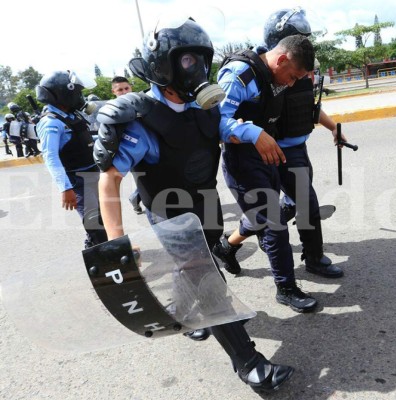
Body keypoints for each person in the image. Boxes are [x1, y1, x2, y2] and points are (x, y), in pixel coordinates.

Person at [93, 16, 294, 392]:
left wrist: (255, 133)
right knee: (207, 279)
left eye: (201, 60)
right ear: (163, 65)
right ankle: (249, 364)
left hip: (205, 206)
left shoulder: (205, 106)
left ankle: (184, 316)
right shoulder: (142, 121)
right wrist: (116, 239)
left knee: (197, 267)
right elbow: (110, 178)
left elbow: (224, 127)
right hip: (169, 214)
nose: (197, 70)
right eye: (187, 61)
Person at [213, 7, 344, 284]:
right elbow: (221, 119)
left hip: (293, 148)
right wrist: (250, 133)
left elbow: (306, 107)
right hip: (267, 151)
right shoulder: (264, 70)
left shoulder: (295, 69)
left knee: (288, 207)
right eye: (299, 38)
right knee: (284, 210)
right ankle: (305, 262)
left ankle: (232, 245)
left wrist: (334, 128)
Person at [214, 33, 321, 313]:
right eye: (294, 76)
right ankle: (286, 288)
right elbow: (215, 121)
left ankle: (227, 246)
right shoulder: (239, 74)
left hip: (269, 155)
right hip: (243, 162)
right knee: (274, 224)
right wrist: (251, 132)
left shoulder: (276, 74)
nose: (293, 82)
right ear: (282, 59)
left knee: (266, 215)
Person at [35, 70, 108, 249]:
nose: (80, 97)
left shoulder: (72, 115)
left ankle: (98, 249)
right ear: (64, 93)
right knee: (93, 221)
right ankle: (107, 259)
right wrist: (65, 188)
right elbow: (50, 156)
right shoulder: (51, 122)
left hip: (93, 174)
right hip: (78, 180)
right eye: (77, 92)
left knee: (102, 216)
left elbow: (86, 140)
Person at [111, 76, 144, 214]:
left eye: (126, 88)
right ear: (113, 92)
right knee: (145, 182)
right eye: (120, 90)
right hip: (131, 153)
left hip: (149, 147)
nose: (124, 92)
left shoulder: (141, 102)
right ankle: (136, 199)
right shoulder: (112, 110)